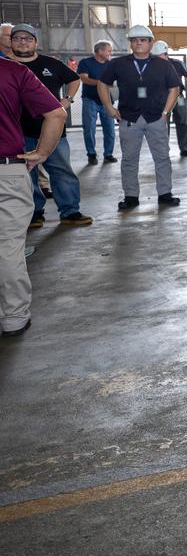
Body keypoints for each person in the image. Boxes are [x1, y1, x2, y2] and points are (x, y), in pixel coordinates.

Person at [1, 54, 67, 337]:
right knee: (8, 247)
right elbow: (56, 114)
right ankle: (14, 317)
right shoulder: (13, 71)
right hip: (6, 170)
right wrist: (41, 153)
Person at [7, 24, 92, 228]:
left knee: (61, 170)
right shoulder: (6, 66)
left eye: (28, 38)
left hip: (53, 131)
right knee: (27, 174)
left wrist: (67, 100)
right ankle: (35, 212)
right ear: (10, 42)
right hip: (19, 131)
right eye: (17, 38)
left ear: (36, 42)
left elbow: (74, 79)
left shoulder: (50, 64)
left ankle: (70, 210)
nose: (23, 42)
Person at [97, 25, 182, 210]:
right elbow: (102, 84)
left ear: (151, 43)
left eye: (143, 40)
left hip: (155, 118)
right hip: (129, 118)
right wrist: (109, 107)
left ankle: (165, 194)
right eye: (135, 40)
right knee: (129, 159)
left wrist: (165, 112)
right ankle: (131, 197)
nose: (139, 43)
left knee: (162, 157)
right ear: (130, 43)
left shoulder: (163, 64)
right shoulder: (118, 64)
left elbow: (174, 88)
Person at [76, 39, 117, 164]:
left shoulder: (111, 64)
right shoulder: (85, 62)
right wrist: (101, 83)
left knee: (110, 129)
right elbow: (84, 79)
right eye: (108, 50)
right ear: (100, 51)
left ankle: (108, 154)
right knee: (89, 129)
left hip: (107, 102)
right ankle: (91, 154)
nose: (110, 53)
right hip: (90, 100)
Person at [151, 41, 187, 157]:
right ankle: (164, 150)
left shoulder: (177, 63)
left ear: (165, 54)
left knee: (182, 121)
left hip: (179, 97)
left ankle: (184, 148)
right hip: (162, 99)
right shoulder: (152, 65)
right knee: (163, 124)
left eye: (159, 56)